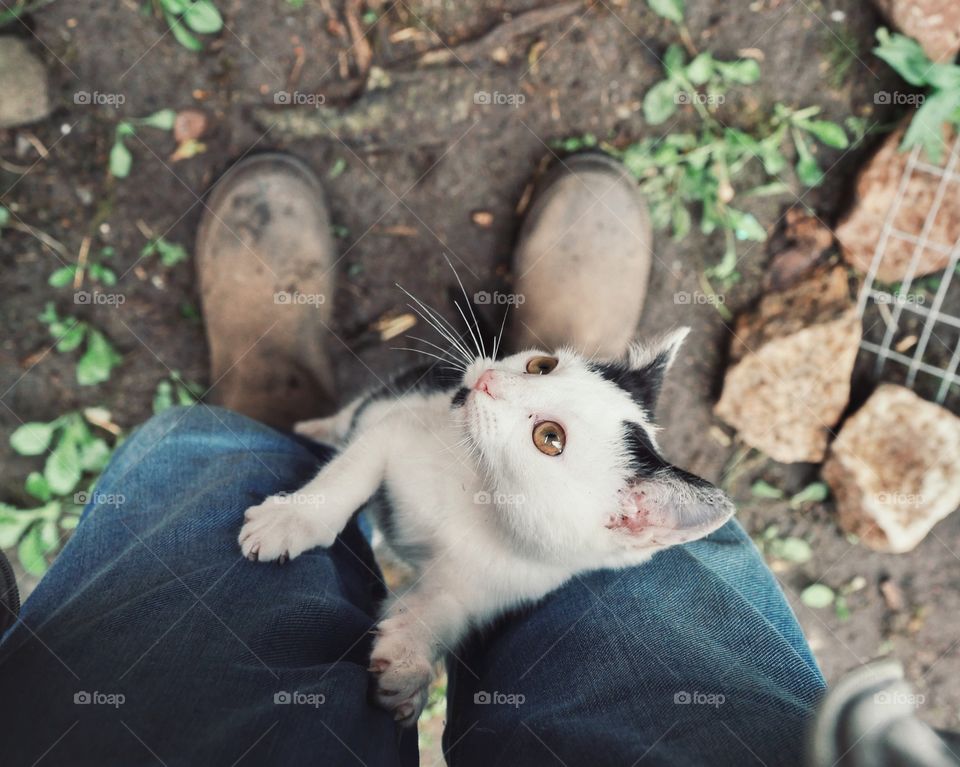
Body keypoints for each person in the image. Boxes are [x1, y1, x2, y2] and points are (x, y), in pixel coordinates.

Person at [0, 152, 825, 766]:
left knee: (204, 503)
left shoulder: (589, 521)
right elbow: (394, 434)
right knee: (656, 639)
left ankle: (260, 432)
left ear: (629, 515)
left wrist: (418, 641)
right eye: (538, 370)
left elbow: (459, 595)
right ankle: (311, 425)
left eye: (551, 431)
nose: (495, 382)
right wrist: (319, 508)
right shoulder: (512, 429)